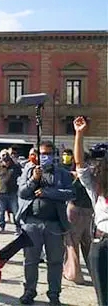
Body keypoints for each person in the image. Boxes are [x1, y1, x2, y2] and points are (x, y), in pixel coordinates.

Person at [16, 141, 75, 306]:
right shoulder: (29, 171)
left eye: (49, 153)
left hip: (54, 224)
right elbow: (22, 192)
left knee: (55, 261)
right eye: (43, 154)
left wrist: (49, 193)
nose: (46, 157)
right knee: (30, 260)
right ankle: (29, 291)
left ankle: (54, 294)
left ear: (54, 155)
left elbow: (70, 193)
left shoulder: (62, 174)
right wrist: (34, 179)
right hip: (32, 223)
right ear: (37, 155)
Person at [73, 116, 108, 305]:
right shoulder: (96, 187)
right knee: (103, 297)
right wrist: (79, 134)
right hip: (102, 244)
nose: (97, 166)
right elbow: (80, 165)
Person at [0, 149, 22, 234]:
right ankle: (1, 227)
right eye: (3, 156)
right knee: (1, 212)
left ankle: (18, 228)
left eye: (6, 156)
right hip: (1, 193)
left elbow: (22, 177)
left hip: (13, 193)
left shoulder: (16, 166)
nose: (5, 159)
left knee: (16, 212)